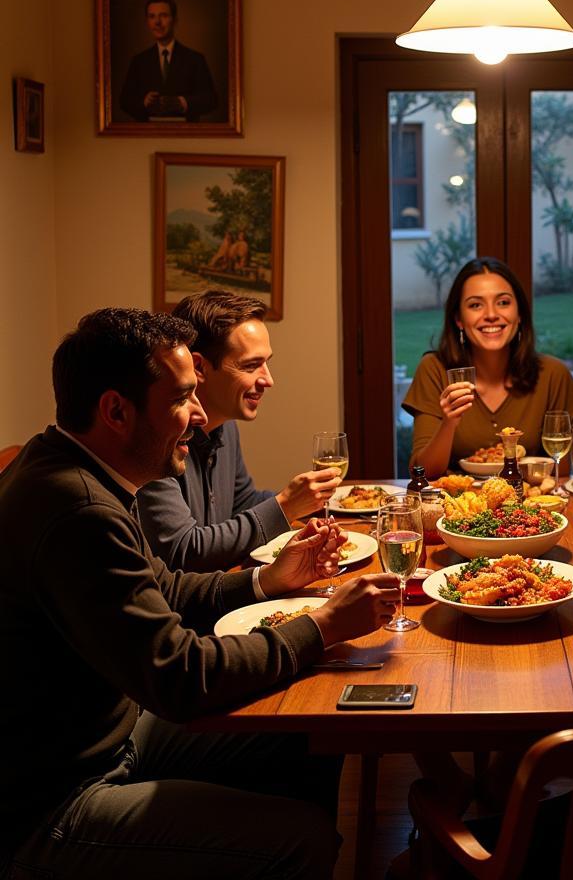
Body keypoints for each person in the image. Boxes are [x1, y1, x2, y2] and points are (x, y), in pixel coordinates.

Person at [0, 307, 399, 878]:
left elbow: (166, 587)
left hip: (115, 735)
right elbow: (180, 676)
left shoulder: (81, 472)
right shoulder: (77, 510)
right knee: (299, 839)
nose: (199, 414)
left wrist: (266, 580)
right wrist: (322, 626)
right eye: (183, 397)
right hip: (55, 800)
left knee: (309, 737)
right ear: (116, 410)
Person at [137, 290, 343, 571]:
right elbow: (183, 552)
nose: (268, 380)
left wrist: (309, 502)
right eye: (251, 365)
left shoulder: (225, 426)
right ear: (199, 367)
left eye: (266, 362)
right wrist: (285, 506)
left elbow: (241, 503)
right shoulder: (158, 439)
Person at [401, 256, 573, 477]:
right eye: (475, 305)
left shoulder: (553, 375)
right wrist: (449, 423)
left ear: (519, 315)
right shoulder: (434, 370)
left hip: (528, 506)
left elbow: (561, 474)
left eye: (503, 302)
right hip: (456, 507)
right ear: (459, 319)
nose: (491, 315)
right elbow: (421, 473)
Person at [119, 0, 217, 123]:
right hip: (146, 138)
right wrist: (143, 102)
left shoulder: (195, 59)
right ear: (147, 21)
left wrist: (182, 102)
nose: (157, 22)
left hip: (186, 137)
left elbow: (211, 100)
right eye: (152, 16)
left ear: (175, 20)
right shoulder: (138, 61)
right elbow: (124, 101)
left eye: (163, 16)